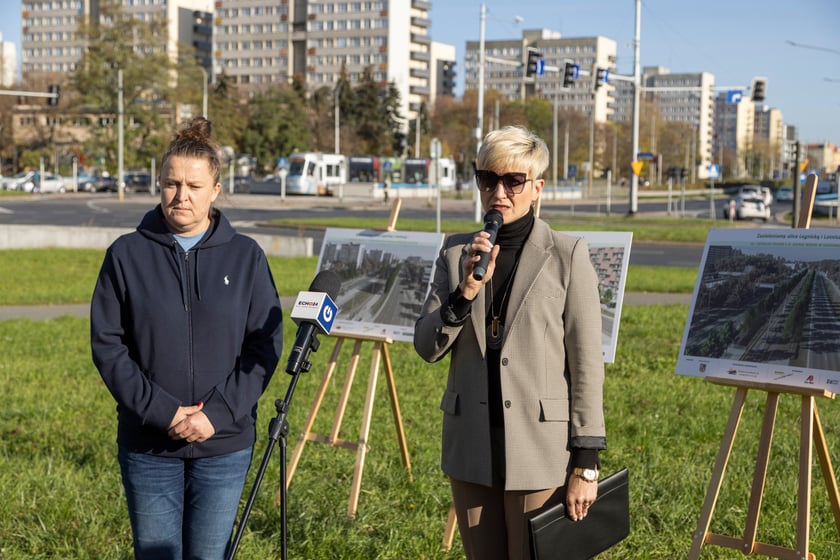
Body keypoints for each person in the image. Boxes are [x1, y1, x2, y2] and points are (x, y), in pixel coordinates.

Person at [91, 117, 284, 560]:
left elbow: (264, 345)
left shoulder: (247, 256)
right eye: (171, 183)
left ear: (216, 190)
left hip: (223, 443)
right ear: (158, 185)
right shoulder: (125, 255)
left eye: (194, 186)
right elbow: (108, 346)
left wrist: (216, 415)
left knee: (208, 555)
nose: (182, 196)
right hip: (149, 444)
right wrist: (163, 411)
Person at [414, 125, 606, 560]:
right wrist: (462, 294)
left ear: (537, 187)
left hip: (539, 450)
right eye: (487, 178)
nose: (498, 191)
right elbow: (427, 346)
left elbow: (586, 363)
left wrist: (587, 462)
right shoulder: (455, 252)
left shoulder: (567, 254)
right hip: (471, 447)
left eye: (513, 181)